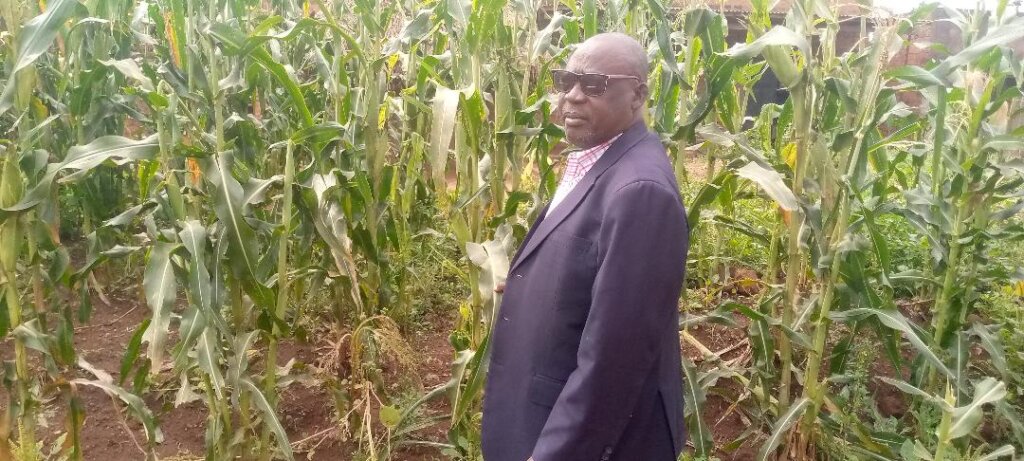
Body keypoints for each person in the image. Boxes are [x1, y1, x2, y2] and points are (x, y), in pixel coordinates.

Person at [481, 33, 690, 461]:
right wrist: (533, 285)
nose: (573, 96)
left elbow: (616, 358)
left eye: (594, 84)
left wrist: (555, 454)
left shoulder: (640, 191)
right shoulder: (600, 160)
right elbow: (587, 267)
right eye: (566, 80)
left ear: (637, 96)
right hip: (541, 414)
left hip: (582, 440)